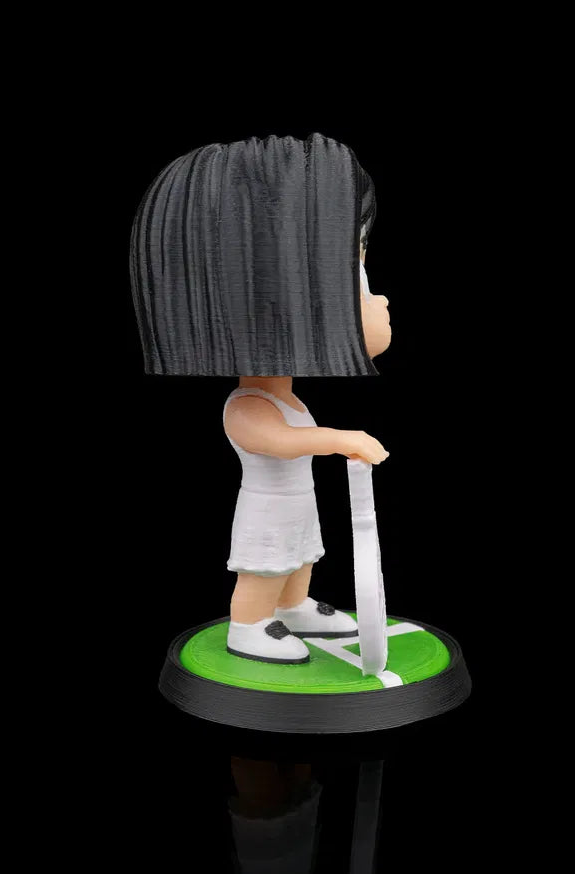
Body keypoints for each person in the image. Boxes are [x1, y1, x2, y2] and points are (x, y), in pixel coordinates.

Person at [131, 133, 391, 664]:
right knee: (266, 566)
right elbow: (280, 442)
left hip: (297, 504)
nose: (381, 298)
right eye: (358, 277)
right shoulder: (247, 406)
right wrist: (339, 438)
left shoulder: (288, 399)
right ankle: (248, 624)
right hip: (267, 509)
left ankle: (293, 607)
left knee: (300, 558)